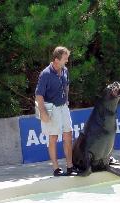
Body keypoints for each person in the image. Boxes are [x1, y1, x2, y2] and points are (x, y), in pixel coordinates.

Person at [35, 46, 76, 176]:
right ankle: (56, 168)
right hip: (51, 109)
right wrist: (43, 113)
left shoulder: (65, 70)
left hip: (64, 107)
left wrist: (67, 100)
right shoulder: (45, 74)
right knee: (53, 138)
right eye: (65, 59)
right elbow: (39, 95)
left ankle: (70, 167)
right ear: (56, 59)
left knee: (68, 136)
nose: (67, 61)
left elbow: (67, 85)